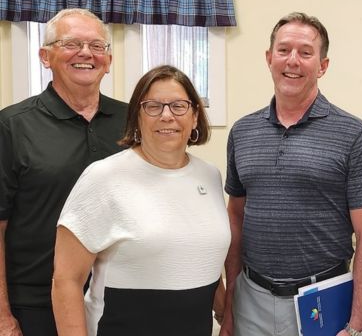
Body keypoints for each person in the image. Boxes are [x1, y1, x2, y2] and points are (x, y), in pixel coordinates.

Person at [221, 12, 362, 336]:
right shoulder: (242, 132)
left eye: (305, 52)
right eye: (283, 50)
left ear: (323, 66)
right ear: (269, 58)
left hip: (323, 302)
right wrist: (230, 307)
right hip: (251, 299)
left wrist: (357, 326)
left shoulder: (354, 135)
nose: (292, 61)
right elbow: (235, 219)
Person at [51, 65, 231, 336]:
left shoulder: (209, 176)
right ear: (136, 117)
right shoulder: (104, 177)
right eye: (153, 106)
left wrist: (224, 312)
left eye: (179, 106)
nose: (167, 115)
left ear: (195, 116)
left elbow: (200, 254)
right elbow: (66, 280)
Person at [0, 8, 127, 336]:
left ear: (108, 61)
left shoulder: (133, 122)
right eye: (71, 43)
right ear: (45, 56)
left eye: (97, 46)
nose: (86, 53)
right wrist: (3, 316)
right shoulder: (12, 126)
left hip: (119, 297)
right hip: (36, 304)